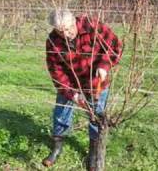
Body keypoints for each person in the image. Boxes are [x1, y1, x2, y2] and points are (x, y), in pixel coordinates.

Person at [43, 9, 122, 170]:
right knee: (61, 113)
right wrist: (72, 94)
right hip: (70, 83)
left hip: (96, 80)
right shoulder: (53, 41)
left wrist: (104, 65)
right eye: (60, 31)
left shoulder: (92, 26)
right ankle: (57, 147)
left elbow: (114, 45)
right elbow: (56, 71)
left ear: (74, 21)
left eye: (68, 28)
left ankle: (93, 152)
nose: (65, 34)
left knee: (96, 117)